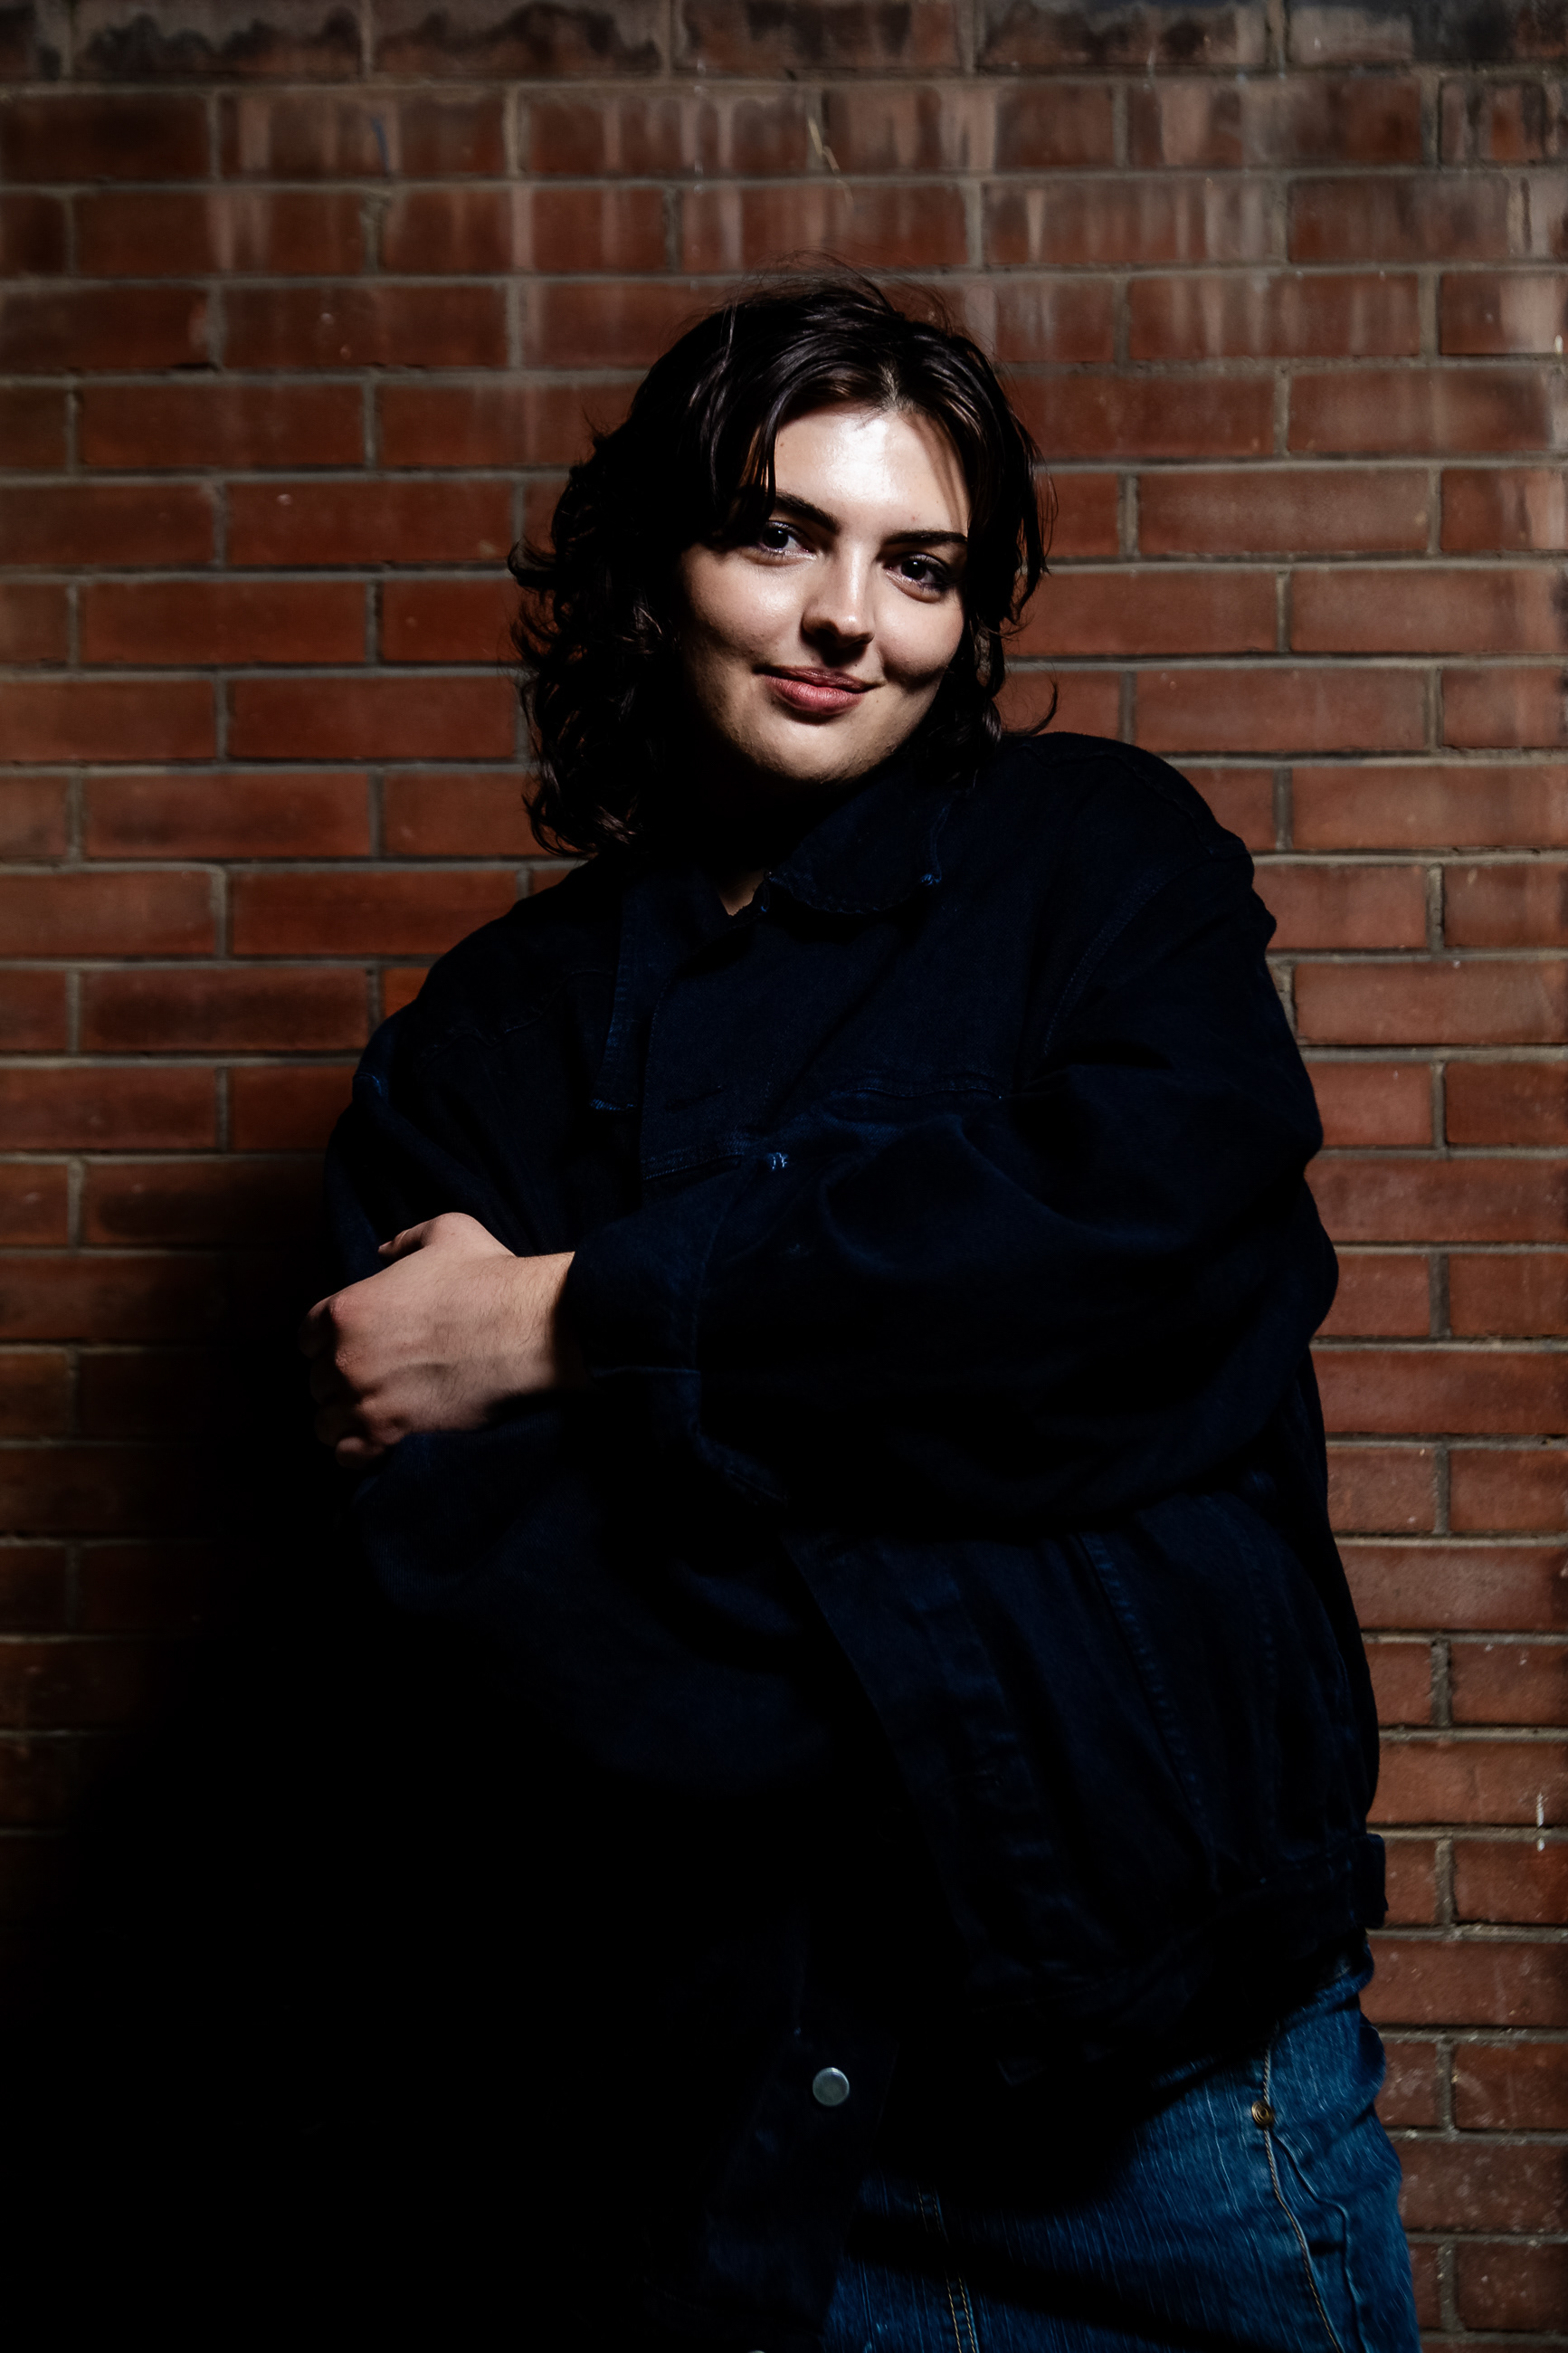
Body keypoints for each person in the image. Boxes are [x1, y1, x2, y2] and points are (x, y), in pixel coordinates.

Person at [300, 277, 1421, 2353]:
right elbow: (463, 1567)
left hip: (1164, 2082)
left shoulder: (1102, 865)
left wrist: (574, 1321)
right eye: (781, 535)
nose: (849, 620)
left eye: (921, 567)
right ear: (655, 564)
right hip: (701, 2108)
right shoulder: (491, 1041)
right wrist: (960, 1438)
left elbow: (1154, 1280)